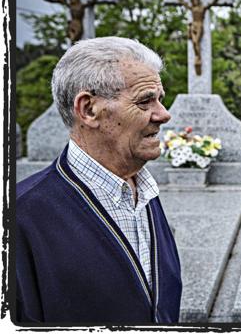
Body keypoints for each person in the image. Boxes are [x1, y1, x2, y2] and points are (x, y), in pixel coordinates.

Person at [16, 37, 182, 323]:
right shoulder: (21, 216)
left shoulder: (142, 191)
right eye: (145, 101)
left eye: (160, 99)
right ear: (89, 110)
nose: (163, 114)